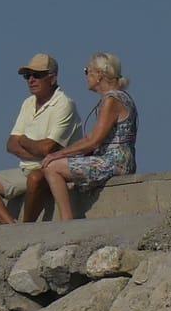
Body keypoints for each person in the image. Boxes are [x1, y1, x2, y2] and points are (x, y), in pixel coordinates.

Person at [0, 54, 80, 224]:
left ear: (52, 78)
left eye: (37, 75)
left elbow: (47, 148)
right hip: (26, 169)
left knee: (36, 178)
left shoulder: (64, 104)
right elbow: (11, 144)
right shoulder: (28, 103)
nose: (31, 80)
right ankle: (12, 227)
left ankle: (27, 226)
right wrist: (35, 149)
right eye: (28, 76)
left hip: (54, 171)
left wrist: (24, 141)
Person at [40, 53, 139, 221]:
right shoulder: (118, 97)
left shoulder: (112, 100)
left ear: (100, 74)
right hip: (121, 159)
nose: (86, 76)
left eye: (87, 71)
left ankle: (66, 221)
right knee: (64, 167)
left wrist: (57, 154)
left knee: (52, 167)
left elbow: (93, 141)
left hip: (114, 162)